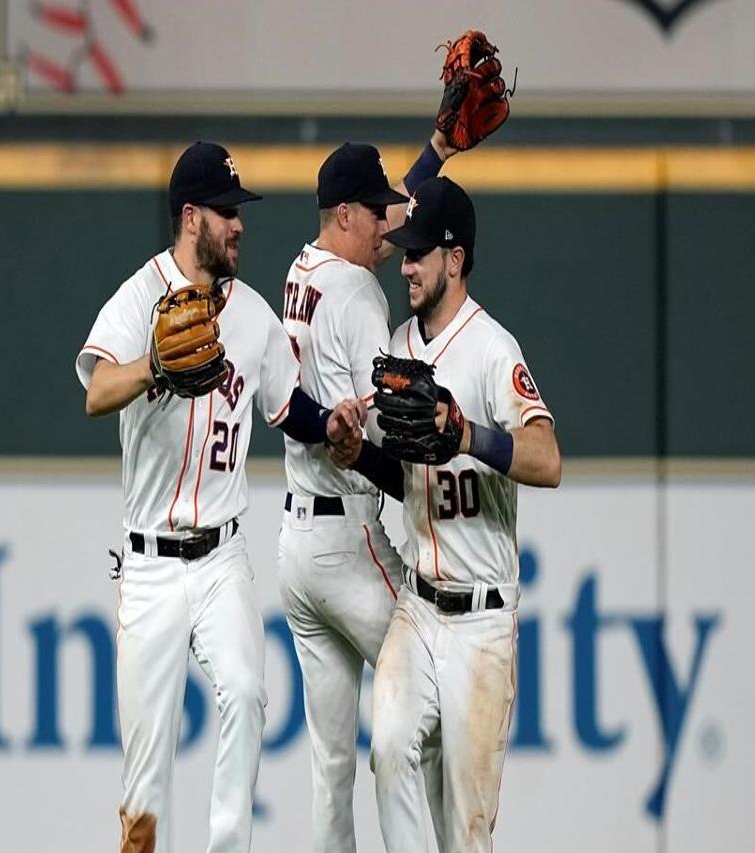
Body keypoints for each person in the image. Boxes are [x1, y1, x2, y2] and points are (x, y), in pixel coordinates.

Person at [75, 140, 363, 853]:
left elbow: (285, 405)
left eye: (240, 213)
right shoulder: (140, 297)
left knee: (244, 689)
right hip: (148, 563)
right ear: (190, 215)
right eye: (226, 212)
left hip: (222, 554)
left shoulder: (255, 315)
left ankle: (228, 844)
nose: (239, 225)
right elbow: (96, 390)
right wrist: (153, 365)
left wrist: (326, 423)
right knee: (143, 793)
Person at [334, 176, 562, 853]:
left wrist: (469, 436)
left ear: (454, 259)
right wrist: (356, 457)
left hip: (482, 622)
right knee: (391, 749)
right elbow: (409, 481)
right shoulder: (399, 344)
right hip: (419, 602)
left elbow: (548, 459)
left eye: (417, 254)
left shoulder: (492, 347)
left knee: (467, 830)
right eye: (401, 252)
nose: (403, 265)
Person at [277, 131, 462, 853]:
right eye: (379, 212)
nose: (391, 227)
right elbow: (380, 422)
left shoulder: (304, 263)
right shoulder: (354, 293)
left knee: (330, 765)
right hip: (349, 541)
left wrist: (437, 148)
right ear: (347, 214)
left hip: (295, 542)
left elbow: (390, 216)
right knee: (431, 711)